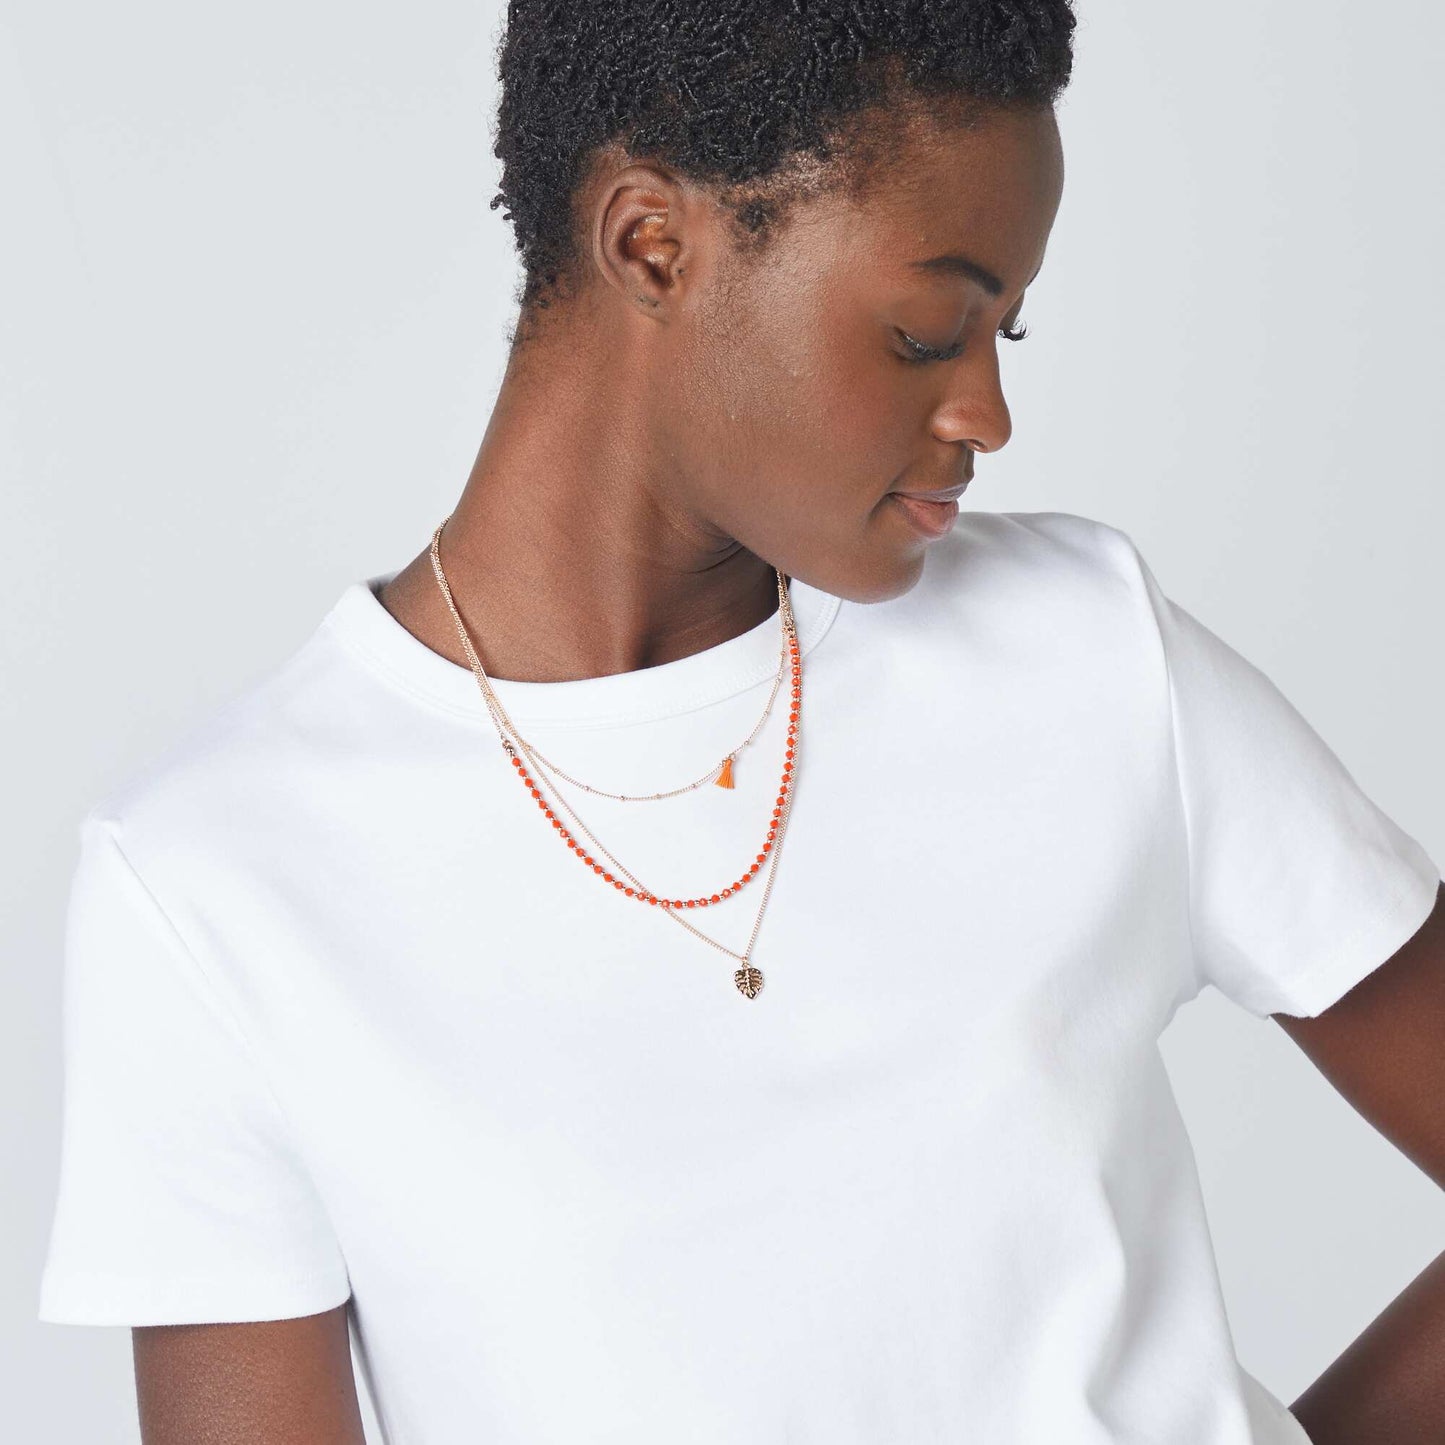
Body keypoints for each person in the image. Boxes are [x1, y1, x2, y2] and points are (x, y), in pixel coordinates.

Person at [36, 1, 1445, 1442]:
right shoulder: (214, 882)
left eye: (1004, 328)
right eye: (927, 331)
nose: (987, 410)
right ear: (653, 243)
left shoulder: (1090, 653)